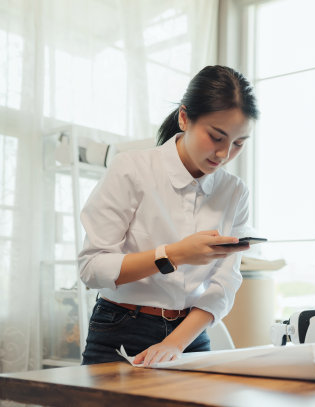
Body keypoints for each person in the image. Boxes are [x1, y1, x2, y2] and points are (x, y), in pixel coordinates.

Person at [79, 65, 259, 366]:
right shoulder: (132, 169)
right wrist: (175, 254)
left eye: (239, 143)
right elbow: (92, 268)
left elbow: (224, 283)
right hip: (121, 328)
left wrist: (175, 343)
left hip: (191, 336)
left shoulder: (234, 192)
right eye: (216, 137)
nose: (224, 154)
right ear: (184, 118)